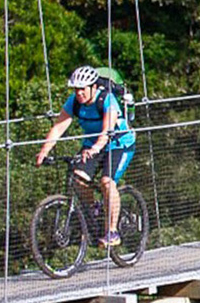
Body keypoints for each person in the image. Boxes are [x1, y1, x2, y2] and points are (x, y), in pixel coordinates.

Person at [35, 65, 136, 247]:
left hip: (119, 143)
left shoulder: (107, 100)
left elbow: (107, 131)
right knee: (78, 178)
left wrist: (96, 148)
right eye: (76, 89)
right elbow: (58, 127)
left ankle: (112, 232)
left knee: (107, 182)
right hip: (92, 144)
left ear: (94, 87)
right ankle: (95, 209)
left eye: (83, 89)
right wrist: (44, 151)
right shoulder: (74, 102)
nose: (79, 93)